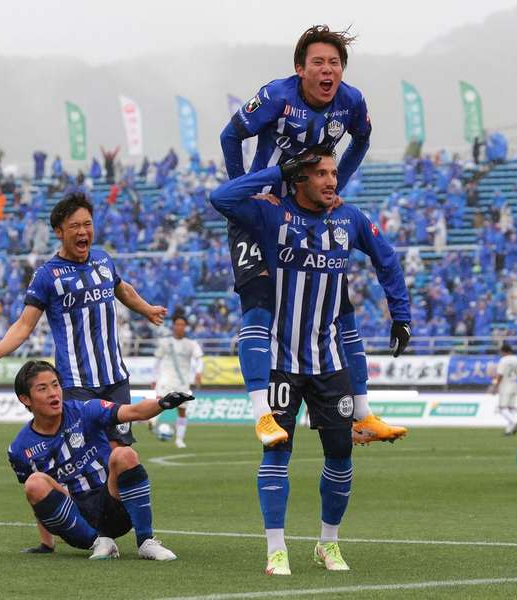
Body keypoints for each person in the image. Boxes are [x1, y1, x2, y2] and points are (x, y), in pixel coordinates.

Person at [210, 146, 412, 575]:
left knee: (341, 454)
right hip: (281, 360)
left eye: (333, 173)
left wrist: (402, 315)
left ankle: (328, 543)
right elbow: (222, 198)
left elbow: (387, 260)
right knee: (277, 450)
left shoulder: (350, 219)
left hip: (329, 360)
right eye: (319, 173)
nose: (330, 181)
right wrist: (275, 173)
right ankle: (276, 549)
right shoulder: (271, 215)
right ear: (299, 179)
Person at [219, 25, 403, 449]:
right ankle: (262, 414)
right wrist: (249, 189)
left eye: (334, 63)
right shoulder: (276, 97)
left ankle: (363, 414)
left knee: (341, 310)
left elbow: (363, 139)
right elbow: (231, 135)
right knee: (260, 302)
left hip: (310, 216)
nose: (327, 71)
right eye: (318, 62)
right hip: (262, 215)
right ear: (300, 69)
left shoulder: (352, 102)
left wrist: (339, 187)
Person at [0, 191, 169, 548]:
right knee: (74, 461)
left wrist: (147, 309)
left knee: (119, 456)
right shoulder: (48, 276)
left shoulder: (104, 261)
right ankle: (84, 535)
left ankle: (137, 538)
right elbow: (25, 323)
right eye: (75, 225)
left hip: (114, 380)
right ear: (59, 231)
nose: (83, 231)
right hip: (76, 384)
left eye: (88, 224)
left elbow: (123, 289)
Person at [7, 360, 191, 559]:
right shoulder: (19, 448)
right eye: (43, 388)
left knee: (125, 454)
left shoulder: (85, 410)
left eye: (55, 385)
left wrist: (161, 404)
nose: (53, 393)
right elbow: (37, 498)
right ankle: (99, 543)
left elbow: (133, 411)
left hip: (112, 506)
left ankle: (146, 541)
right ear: (26, 399)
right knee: (34, 482)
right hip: (76, 520)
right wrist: (46, 543)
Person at [150, 314, 203, 448]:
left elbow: (199, 359)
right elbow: (157, 360)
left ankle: (179, 440)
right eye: (177, 324)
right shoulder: (165, 342)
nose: (180, 327)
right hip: (166, 378)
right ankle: (153, 421)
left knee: (182, 410)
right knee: (159, 401)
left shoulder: (191, 344)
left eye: (182, 325)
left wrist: (198, 372)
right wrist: (153, 377)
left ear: (185, 327)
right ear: (173, 326)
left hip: (182, 381)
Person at [490, 342, 517, 435]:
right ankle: (509, 430)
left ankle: (514, 422)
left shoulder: (504, 360)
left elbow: (500, 374)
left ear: (504, 351)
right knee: (511, 408)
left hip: (505, 385)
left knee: (502, 408)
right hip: (515, 384)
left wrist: (495, 387)